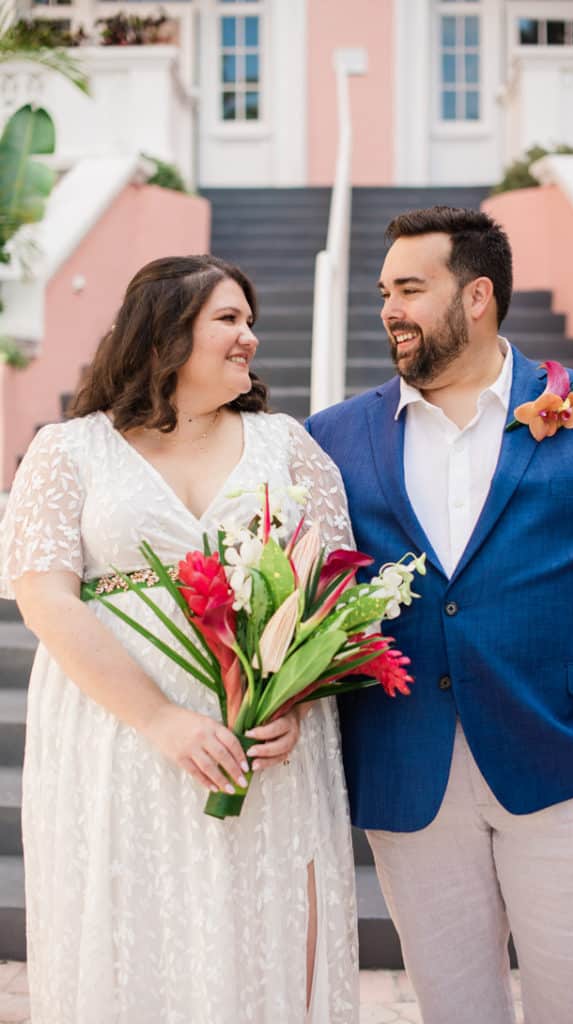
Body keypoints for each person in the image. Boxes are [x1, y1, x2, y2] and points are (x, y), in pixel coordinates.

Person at [306, 207, 573, 1024]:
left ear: (476, 296)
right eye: (382, 291)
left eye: (410, 288)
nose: (389, 309)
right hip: (411, 771)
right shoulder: (333, 436)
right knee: (454, 1008)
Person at [0, 254, 358, 1024]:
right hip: (116, 740)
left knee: (259, 932)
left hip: (260, 745)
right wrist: (160, 720)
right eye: (228, 319)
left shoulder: (287, 446)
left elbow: (333, 595)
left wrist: (291, 703)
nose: (249, 338)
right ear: (164, 332)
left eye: (250, 321)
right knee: (131, 934)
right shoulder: (69, 451)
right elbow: (44, 598)